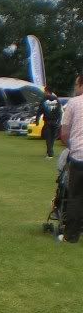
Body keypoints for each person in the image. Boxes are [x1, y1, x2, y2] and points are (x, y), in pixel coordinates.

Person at [59, 72, 83, 244]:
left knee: (76, 196)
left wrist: (70, 146)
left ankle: (71, 235)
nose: (75, 88)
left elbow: (64, 132)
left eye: (76, 84)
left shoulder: (74, 103)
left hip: (79, 155)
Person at [36, 86, 63, 159]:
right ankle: (50, 151)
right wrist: (59, 121)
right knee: (52, 138)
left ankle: (50, 153)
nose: (44, 93)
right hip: (55, 122)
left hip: (47, 122)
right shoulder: (57, 100)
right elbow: (60, 112)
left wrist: (37, 120)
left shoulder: (44, 100)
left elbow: (39, 111)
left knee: (48, 138)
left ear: (47, 91)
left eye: (45, 91)